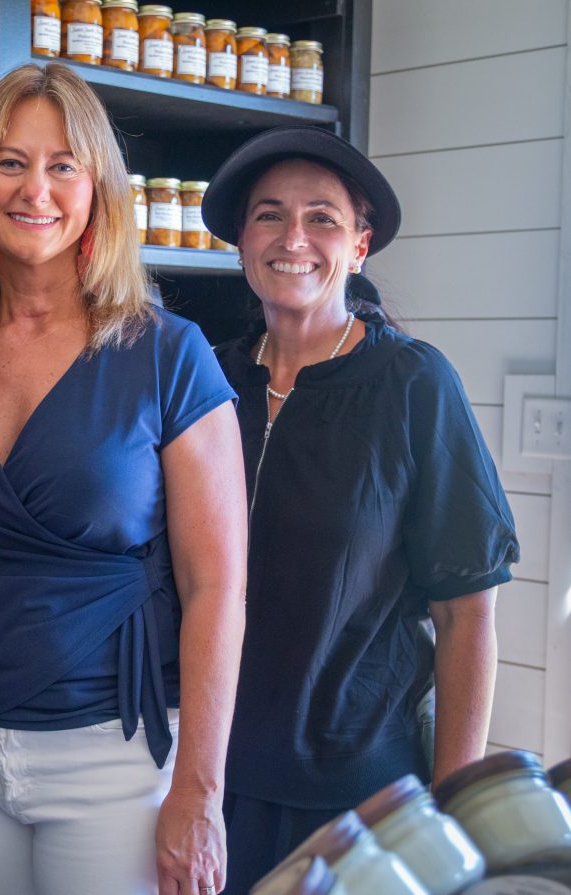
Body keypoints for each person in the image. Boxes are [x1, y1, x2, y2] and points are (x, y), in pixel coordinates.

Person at [0, 62, 249, 895]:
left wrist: (200, 792)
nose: (37, 188)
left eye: (64, 164)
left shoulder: (170, 353)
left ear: (98, 188)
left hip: (119, 752)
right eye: (12, 161)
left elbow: (219, 588)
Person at [200, 125, 520, 892]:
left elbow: (466, 615)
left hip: (362, 792)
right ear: (243, 240)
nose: (293, 237)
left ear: (360, 244)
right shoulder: (208, 383)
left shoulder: (413, 385)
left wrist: (450, 808)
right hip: (209, 772)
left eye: (322, 218)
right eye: (270, 214)